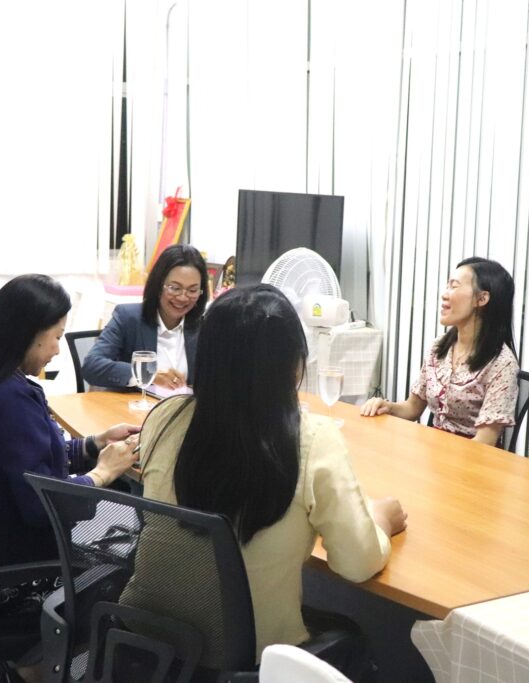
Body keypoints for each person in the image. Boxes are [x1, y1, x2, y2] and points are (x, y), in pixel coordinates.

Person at [130, 284, 406, 675]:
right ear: (293, 364)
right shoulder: (312, 439)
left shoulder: (164, 418)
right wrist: (378, 520)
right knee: (354, 639)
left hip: (145, 643)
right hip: (247, 658)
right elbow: (357, 564)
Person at [0, 274, 140, 568]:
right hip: (19, 557)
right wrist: (103, 472)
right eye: (58, 337)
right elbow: (43, 505)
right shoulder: (13, 400)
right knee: (129, 566)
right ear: (29, 333)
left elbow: (32, 462)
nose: (58, 349)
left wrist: (96, 443)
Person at [361, 256, 519, 446]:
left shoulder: (502, 364)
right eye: (447, 286)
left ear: (482, 299)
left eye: (454, 286)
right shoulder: (440, 347)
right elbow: (412, 408)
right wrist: (387, 407)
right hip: (433, 451)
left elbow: (485, 442)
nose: (444, 294)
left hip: (471, 458)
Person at [82, 244, 209, 391]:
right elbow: (92, 366)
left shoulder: (204, 327)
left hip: (184, 405)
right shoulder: (128, 318)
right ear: (158, 285)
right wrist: (149, 375)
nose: (182, 297)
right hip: (135, 405)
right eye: (175, 288)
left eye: (192, 290)